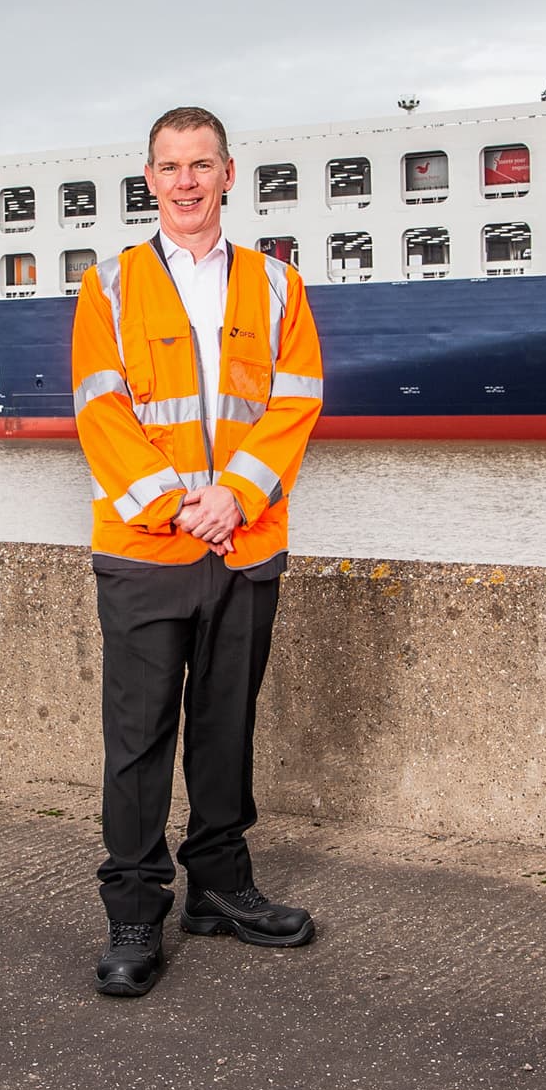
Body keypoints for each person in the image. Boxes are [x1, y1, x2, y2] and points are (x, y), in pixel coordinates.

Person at [71, 106, 327, 997]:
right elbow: (102, 412)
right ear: (150, 180)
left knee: (227, 728)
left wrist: (237, 495)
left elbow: (297, 400)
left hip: (245, 544)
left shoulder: (278, 286)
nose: (185, 181)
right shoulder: (108, 286)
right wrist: (184, 505)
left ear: (229, 174)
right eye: (169, 166)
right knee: (138, 739)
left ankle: (219, 885)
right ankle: (134, 910)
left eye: (200, 164)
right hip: (147, 549)